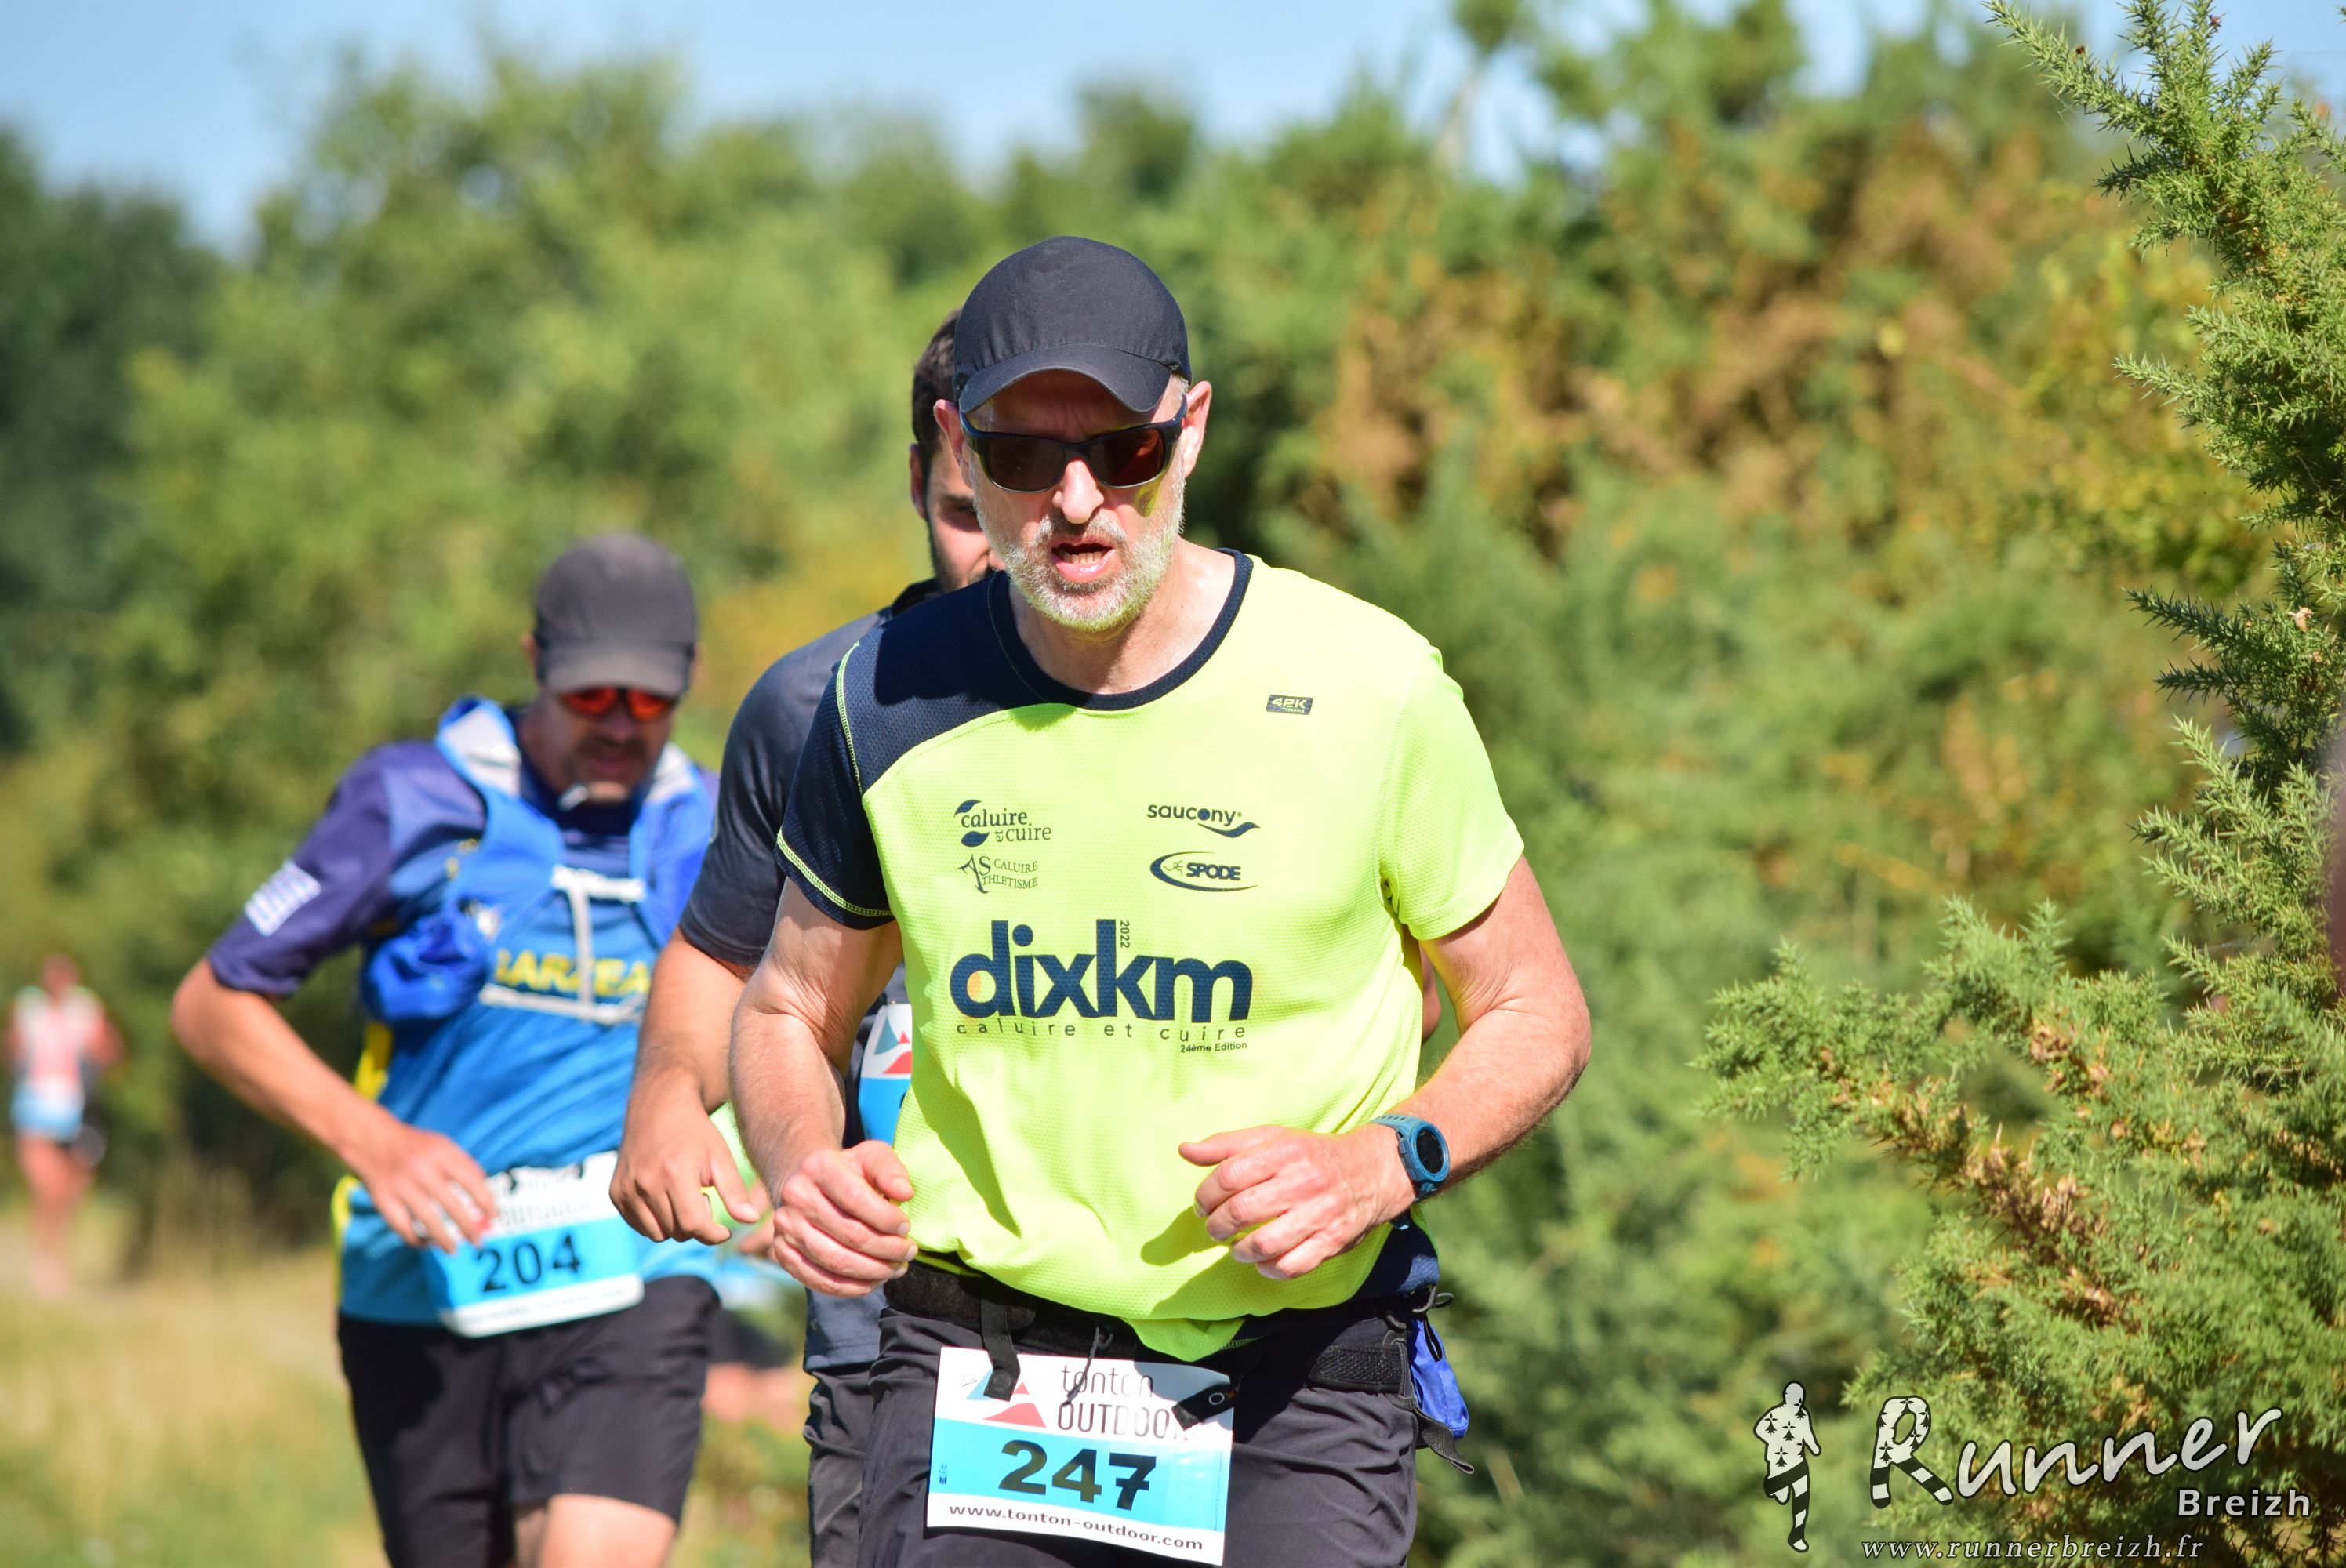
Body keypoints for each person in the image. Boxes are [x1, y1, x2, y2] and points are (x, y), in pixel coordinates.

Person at [732, 235, 1594, 1567]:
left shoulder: (1370, 687)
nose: (1075, 501)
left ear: (1188, 432)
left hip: (1294, 1377)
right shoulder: (885, 695)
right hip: (978, 1359)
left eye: (1121, 450)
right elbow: (788, 1006)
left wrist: (1384, 1160)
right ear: (957, 448)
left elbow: (1537, 1010)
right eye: (1022, 454)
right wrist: (802, 1164)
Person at [170, 535, 723, 1568]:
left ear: (689, 679)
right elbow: (213, 1003)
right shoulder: (414, 800)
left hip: (629, 1272)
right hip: (422, 1279)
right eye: (590, 694)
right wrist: (375, 1145)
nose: (619, 723)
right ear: (534, 662)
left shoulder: (715, 821)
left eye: (649, 699)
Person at [609, 309, 1000, 1567]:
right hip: (883, 1323)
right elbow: (719, 957)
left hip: (1165, 1325)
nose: (999, 556)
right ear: (919, 476)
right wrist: (667, 1095)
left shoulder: (1209, 695)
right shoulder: (816, 703)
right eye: (966, 512)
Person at [9, 953, 123, 1298]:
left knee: (71, 1191)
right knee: (45, 1187)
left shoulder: (86, 1010)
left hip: (78, 1110)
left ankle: (57, 1257)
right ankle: (45, 1262)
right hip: (35, 1108)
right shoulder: (28, 1009)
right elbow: (12, 1052)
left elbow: (110, 1052)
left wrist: (95, 1051)